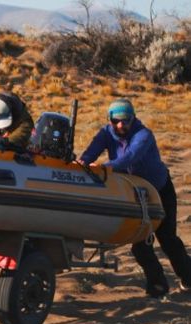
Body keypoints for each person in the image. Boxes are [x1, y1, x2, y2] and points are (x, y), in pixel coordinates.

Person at [79, 98, 191, 298]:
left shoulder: (144, 135)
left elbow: (130, 156)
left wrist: (106, 167)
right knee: (140, 246)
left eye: (125, 120)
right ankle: (158, 286)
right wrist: (80, 164)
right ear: (110, 119)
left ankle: (188, 278)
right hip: (133, 195)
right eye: (116, 121)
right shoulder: (106, 133)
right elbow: (91, 152)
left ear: (133, 118)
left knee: (167, 240)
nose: (120, 125)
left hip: (159, 191)